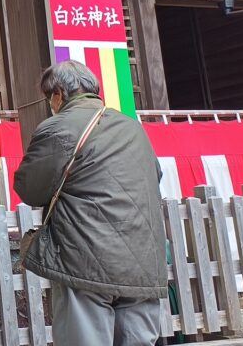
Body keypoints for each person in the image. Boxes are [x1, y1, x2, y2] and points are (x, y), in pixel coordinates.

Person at [15, 61, 167, 346]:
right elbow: (154, 176)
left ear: (58, 94)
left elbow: (30, 189)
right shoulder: (132, 127)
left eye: (50, 98)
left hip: (84, 258)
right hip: (142, 259)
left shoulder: (57, 127)